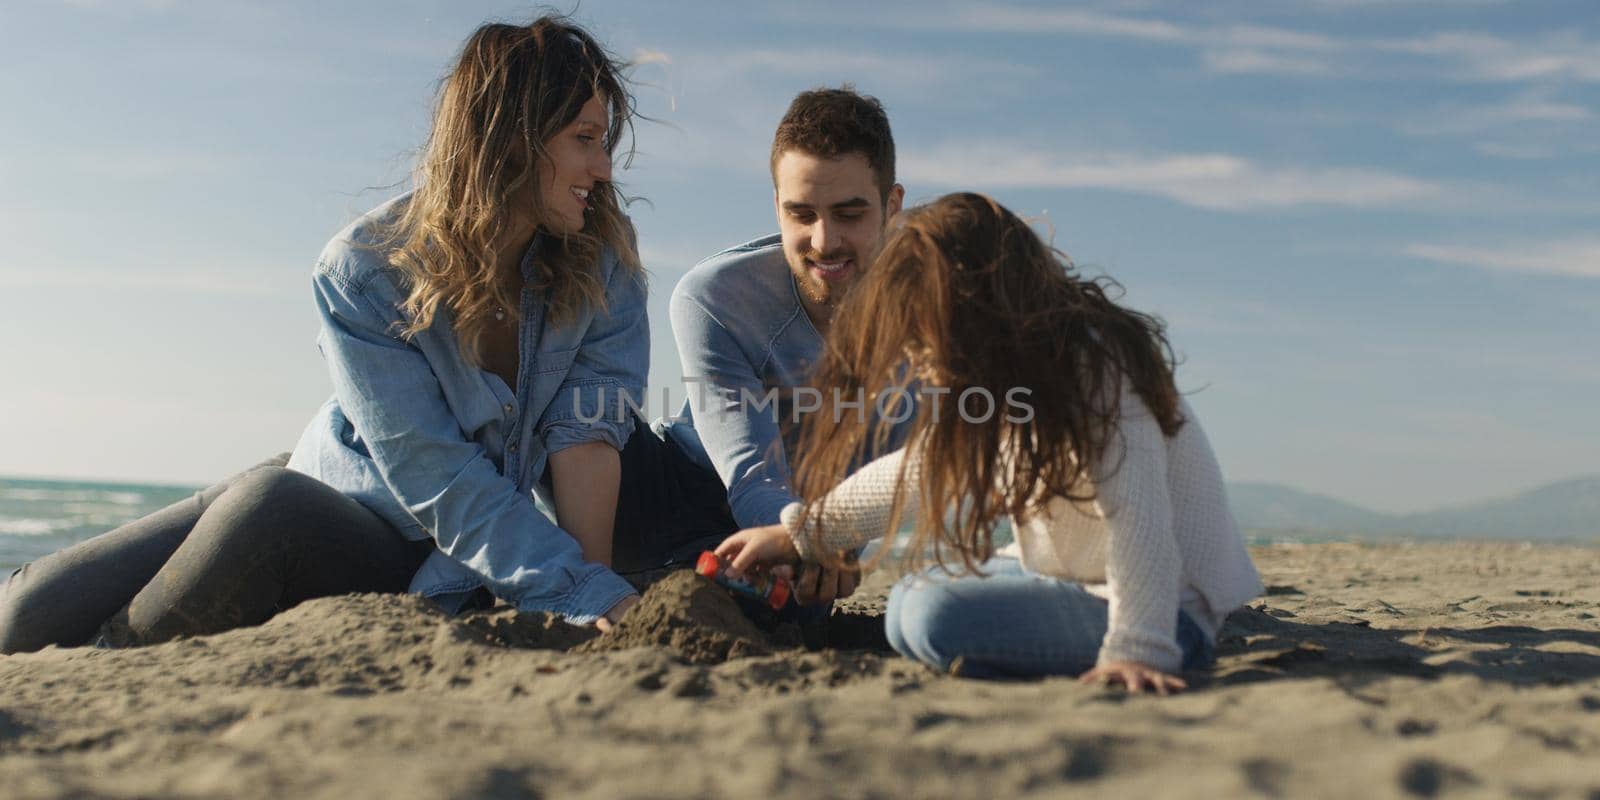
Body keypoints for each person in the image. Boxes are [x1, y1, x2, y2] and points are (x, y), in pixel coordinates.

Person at [0, 16, 731, 654]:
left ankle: (112, 653)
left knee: (267, 509)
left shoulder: (603, 264)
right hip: (344, 473)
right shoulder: (362, 270)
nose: (604, 169)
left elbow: (585, 444)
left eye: (605, 142)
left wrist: (590, 597)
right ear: (511, 139)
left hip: (370, 531)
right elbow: (433, 469)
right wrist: (581, 591)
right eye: (584, 139)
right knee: (23, 614)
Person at [715, 193, 1264, 691]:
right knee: (915, 597)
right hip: (1081, 577)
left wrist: (1140, 650)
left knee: (927, 614)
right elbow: (920, 471)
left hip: (1166, 612)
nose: (920, 360)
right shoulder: (1016, 378)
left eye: (925, 337)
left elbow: (1137, 522)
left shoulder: (1096, 374)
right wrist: (800, 534)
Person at [660, 87, 909, 608]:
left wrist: (825, 537)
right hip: (689, 494)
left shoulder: (928, 316)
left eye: (849, 214)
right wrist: (811, 539)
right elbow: (752, 470)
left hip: (813, 524)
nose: (823, 241)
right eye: (801, 214)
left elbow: (909, 467)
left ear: (891, 206)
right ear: (776, 207)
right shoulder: (715, 297)